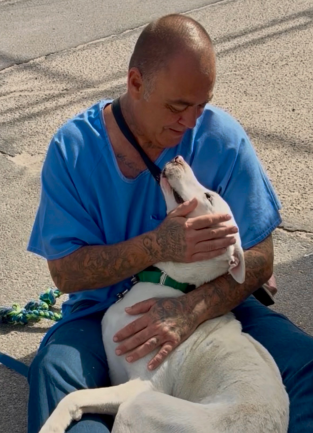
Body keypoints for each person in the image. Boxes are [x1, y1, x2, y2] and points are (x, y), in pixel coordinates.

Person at [27, 14, 313, 433]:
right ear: (136, 83)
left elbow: (261, 256)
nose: (191, 122)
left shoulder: (222, 137)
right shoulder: (74, 150)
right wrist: (158, 246)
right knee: (55, 376)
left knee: (305, 364)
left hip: (213, 301)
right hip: (99, 310)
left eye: (201, 105)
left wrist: (190, 310)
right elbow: (65, 272)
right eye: (178, 107)